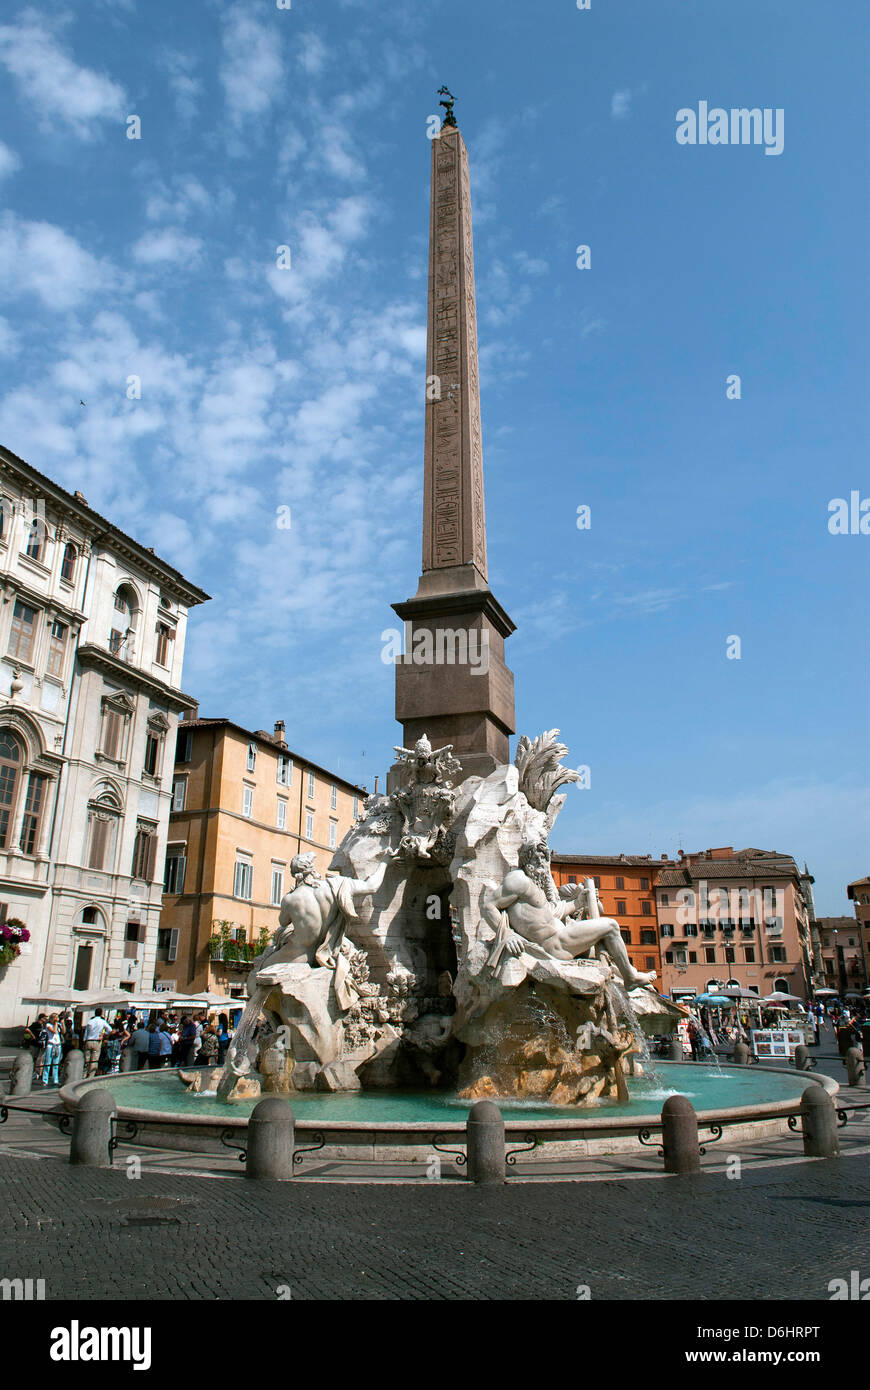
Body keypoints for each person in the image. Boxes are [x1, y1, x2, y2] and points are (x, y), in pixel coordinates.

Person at [82, 1008, 112, 1078]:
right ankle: (91, 1076)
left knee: (86, 1060)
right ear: (101, 1013)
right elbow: (110, 1030)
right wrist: (103, 1035)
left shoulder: (90, 1021)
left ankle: (84, 1075)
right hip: (96, 1041)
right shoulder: (102, 1021)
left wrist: (84, 1041)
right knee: (94, 1060)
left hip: (88, 1041)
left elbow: (85, 1034)